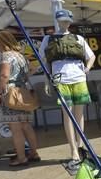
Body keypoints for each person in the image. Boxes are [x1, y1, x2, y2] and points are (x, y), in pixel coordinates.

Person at [39, 10, 95, 170]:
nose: (65, 23)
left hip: (79, 79)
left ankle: (80, 146)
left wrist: (87, 69)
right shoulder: (48, 39)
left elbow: (91, 56)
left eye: (68, 21)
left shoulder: (79, 38)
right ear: (57, 21)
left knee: (79, 114)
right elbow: (45, 62)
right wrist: (47, 80)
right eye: (62, 21)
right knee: (68, 115)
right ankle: (73, 152)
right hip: (60, 80)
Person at [0, 30, 40, 166]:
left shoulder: (5, 56)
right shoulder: (20, 56)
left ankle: (21, 157)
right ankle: (34, 153)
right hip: (23, 92)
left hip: (10, 93)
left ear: (2, 42)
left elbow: (4, 75)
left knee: (15, 128)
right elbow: (32, 69)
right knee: (26, 126)